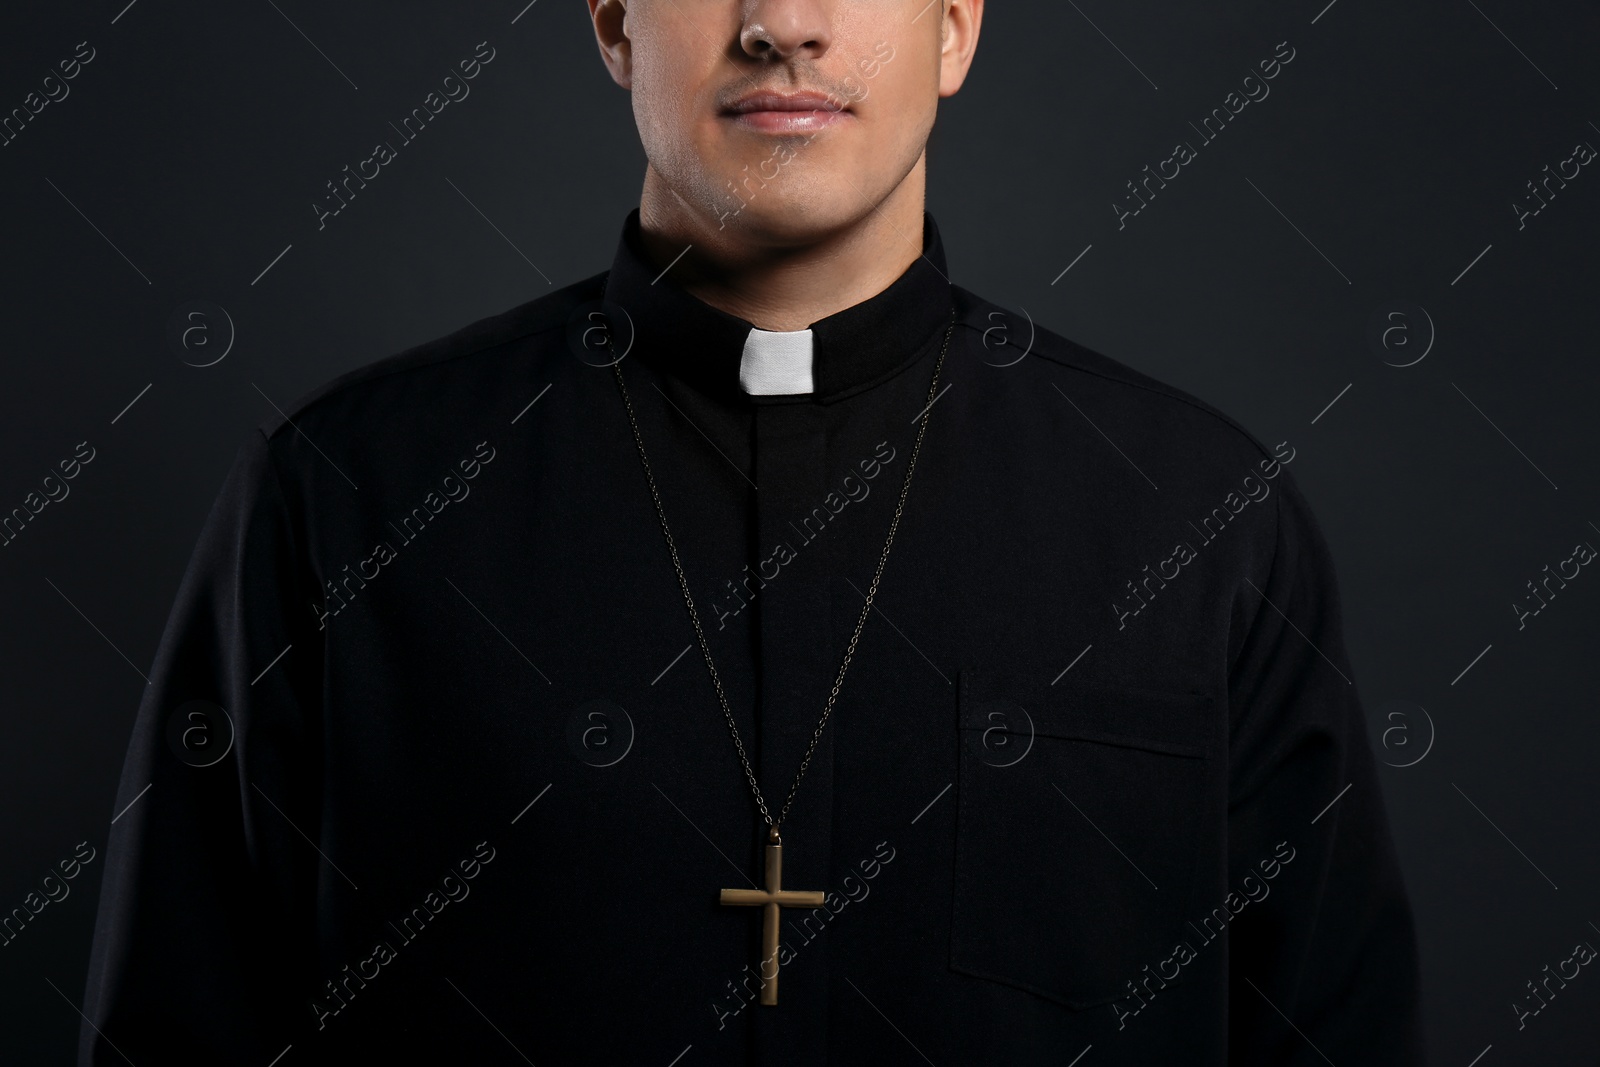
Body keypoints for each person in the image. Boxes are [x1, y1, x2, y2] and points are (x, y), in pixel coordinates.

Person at [79, 1, 1425, 1063]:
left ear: (956, 24)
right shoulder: (347, 498)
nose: (783, 20)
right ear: (613, 22)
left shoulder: (1199, 525)